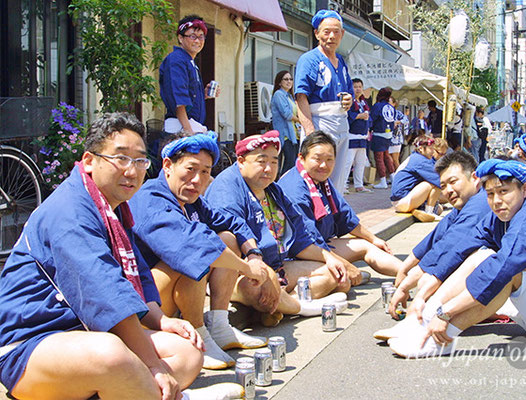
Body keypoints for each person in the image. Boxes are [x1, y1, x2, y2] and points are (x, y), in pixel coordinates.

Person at [0, 113, 242, 399]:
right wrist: (153, 366)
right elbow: (105, 290)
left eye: (140, 160)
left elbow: (137, 273)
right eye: (121, 158)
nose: (132, 170)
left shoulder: (113, 207)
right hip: (32, 344)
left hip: (88, 334)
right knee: (113, 355)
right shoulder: (71, 210)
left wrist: (160, 321)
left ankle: (132, 391)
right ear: (89, 161)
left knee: (187, 354)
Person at [385, 159, 526, 358]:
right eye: (490, 194)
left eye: (504, 191)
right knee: (482, 255)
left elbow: (501, 271)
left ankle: (441, 339)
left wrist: (446, 314)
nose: (496, 201)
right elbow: (458, 250)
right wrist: (422, 298)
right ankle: (421, 320)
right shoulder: (502, 214)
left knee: (508, 272)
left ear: (525, 189)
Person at [129, 132, 273, 370]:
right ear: (167, 166)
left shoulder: (191, 199)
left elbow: (232, 222)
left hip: (168, 297)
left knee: (226, 239)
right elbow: (192, 246)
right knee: (194, 257)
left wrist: (254, 254)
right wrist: (249, 269)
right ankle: (198, 333)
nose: (197, 179)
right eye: (190, 169)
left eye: (205, 172)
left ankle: (219, 324)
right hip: (146, 304)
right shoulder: (151, 198)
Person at [205, 130, 350, 325]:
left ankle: (281, 305)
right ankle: (302, 307)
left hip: (278, 266)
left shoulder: (273, 190)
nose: (268, 168)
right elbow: (233, 231)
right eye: (261, 161)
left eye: (274, 162)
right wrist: (265, 274)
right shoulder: (227, 187)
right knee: (257, 288)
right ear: (241, 161)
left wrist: (330, 258)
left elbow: (301, 239)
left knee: (334, 273)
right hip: (242, 271)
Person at [372, 151, 491, 341]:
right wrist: (405, 269)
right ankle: (424, 317)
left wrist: (412, 289)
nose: (448, 190)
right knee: (428, 278)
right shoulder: (466, 203)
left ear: (475, 177)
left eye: (454, 181)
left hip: (521, 286)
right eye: (443, 186)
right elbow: (436, 237)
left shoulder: (481, 203)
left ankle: (421, 321)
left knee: (436, 276)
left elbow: (451, 248)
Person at [279, 131, 402, 281]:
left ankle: (410, 274)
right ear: (302, 158)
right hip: (299, 253)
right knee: (337, 281)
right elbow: (303, 243)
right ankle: (347, 277)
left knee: (367, 245)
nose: (324, 165)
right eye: (317, 159)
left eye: (329, 159)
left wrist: (374, 239)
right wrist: (344, 264)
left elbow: (345, 216)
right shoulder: (295, 190)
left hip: (320, 245)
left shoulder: (320, 179)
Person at [295, 9, 354, 194]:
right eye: (326, 31)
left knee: (338, 175)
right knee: (316, 172)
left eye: (336, 31)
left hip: (341, 123)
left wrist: (348, 100)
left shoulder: (342, 62)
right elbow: (301, 96)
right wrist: (310, 132)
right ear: (316, 33)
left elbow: (349, 93)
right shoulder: (309, 59)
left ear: (342, 34)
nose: (331, 36)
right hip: (320, 121)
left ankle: (335, 215)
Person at [159, 15, 219, 134]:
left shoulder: (189, 62)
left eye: (201, 37)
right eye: (192, 36)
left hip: (190, 125)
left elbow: (189, 95)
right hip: (180, 127)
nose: (197, 41)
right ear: (180, 38)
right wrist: (188, 132)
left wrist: (203, 94)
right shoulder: (177, 60)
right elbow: (179, 100)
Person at [390, 135, 442, 221]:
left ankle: (422, 209)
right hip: (402, 201)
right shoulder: (420, 160)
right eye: (431, 149)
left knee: (439, 209)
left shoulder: (416, 157)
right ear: (421, 149)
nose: (433, 152)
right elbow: (439, 180)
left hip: (401, 201)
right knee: (432, 183)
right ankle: (429, 212)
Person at [344, 78, 372, 193]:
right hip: (351, 135)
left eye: (360, 86)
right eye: (355, 87)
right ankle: (343, 184)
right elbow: (347, 115)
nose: (358, 89)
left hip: (362, 136)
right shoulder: (348, 101)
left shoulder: (363, 102)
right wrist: (359, 116)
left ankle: (359, 184)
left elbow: (368, 118)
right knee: (348, 162)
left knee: (360, 162)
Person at [271, 70, 300, 174]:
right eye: (286, 79)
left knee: (294, 163)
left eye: (291, 79)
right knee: (289, 163)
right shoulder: (279, 94)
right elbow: (287, 114)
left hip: (294, 134)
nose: (289, 81)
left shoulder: (290, 96)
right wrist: (301, 120)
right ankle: (283, 186)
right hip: (286, 135)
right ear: (279, 82)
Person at [370, 87, 396, 189]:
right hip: (388, 134)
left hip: (379, 133)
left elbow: (372, 119)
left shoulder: (377, 106)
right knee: (387, 156)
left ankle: (383, 181)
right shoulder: (391, 107)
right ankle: (393, 178)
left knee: (379, 158)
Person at [388, 97, 403, 171]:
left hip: (396, 138)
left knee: (395, 159)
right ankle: (391, 175)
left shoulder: (398, 113)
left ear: (394, 104)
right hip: (387, 138)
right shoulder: (386, 112)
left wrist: (397, 122)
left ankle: (399, 175)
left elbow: (405, 121)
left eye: (389, 102)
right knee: (388, 159)